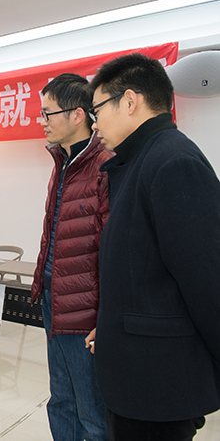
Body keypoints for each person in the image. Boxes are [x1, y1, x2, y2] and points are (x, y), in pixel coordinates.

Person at [87, 53, 220, 441]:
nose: (95, 124)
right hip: (138, 372)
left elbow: (207, 281)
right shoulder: (138, 161)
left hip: (159, 381)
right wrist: (110, 324)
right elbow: (142, 270)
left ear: (129, 101)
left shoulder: (173, 162)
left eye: (98, 110)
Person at [30, 73, 110, 441]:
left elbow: (111, 247)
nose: (42, 121)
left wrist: (106, 313)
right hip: (54, 297)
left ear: (77, 115)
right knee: (61, 396)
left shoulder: (104, 165)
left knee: (91, 408)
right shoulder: (61, 161)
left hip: (85, 306)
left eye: (48, 113)